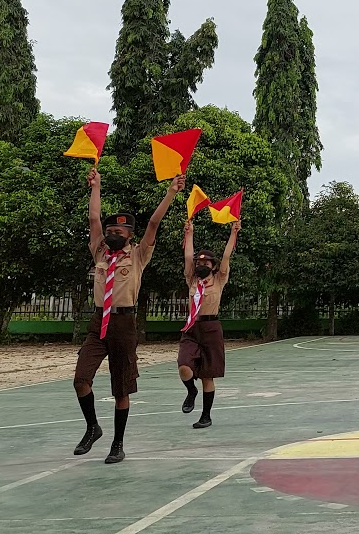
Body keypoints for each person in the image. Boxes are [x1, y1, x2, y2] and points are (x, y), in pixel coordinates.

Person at [74, 168, 184, 464]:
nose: (112, 235)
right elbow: (94, 219)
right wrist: (95, 186)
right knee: (81, 379)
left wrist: (171, 192)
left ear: (129, 236)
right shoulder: (100, 253)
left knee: (121, 386)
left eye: (118, 233)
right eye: (110, 232)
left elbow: (153, 223)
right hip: (99, 321)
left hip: (123, 324)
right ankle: (92, 427)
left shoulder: (138, 255)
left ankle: (118, 443)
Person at [178, 217, 240, 429]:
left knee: (207, 375)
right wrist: (189, 233)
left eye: (206, 263)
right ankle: (190, 391)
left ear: (213, 266)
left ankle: (206, 415)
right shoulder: (192, 279)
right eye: (199, 263)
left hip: (211, 328)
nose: (201, 265)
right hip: (192, 327)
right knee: (184, 367)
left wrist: (233, 232)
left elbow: (226, 256)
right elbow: (188, 255)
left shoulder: (219, 279)